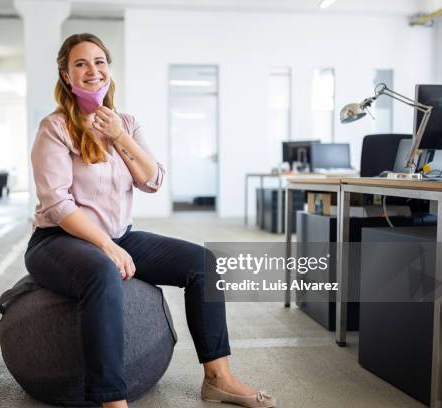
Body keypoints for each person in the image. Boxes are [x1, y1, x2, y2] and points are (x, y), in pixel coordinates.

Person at [24, 32, 276, 408]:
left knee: (203, 264)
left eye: (99, 61)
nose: (92, 70)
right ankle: (112, 402)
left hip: (119, 235)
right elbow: (58, 204)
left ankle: (218, 378)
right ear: (66, 75)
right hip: (58, 240)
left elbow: (152, 180)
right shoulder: (55, 127)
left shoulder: (125, 122)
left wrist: (119, 136)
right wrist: (106, 246)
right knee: (102, 271)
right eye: (80, 63)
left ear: (109, 69)